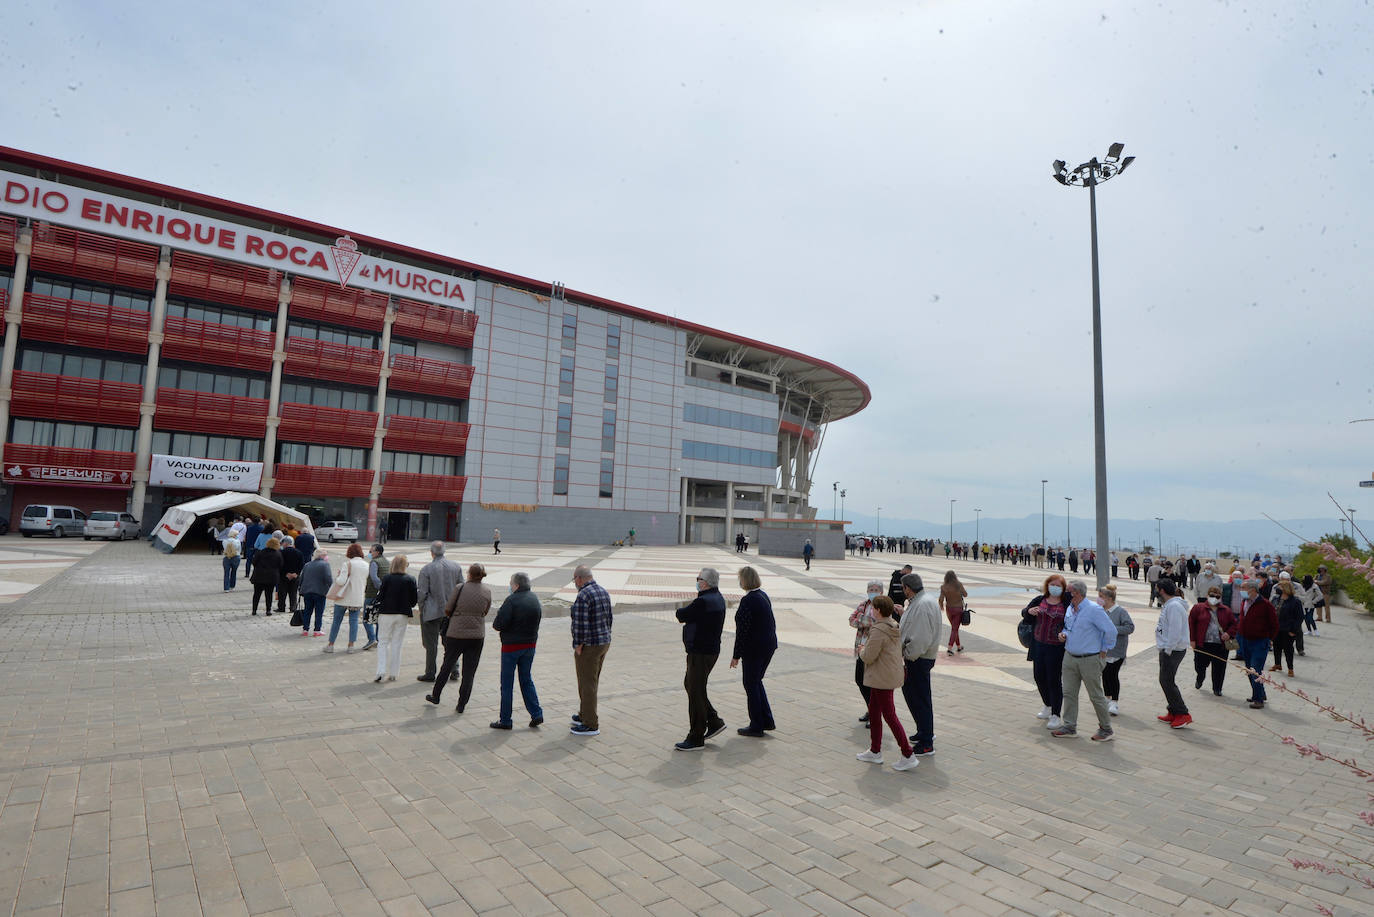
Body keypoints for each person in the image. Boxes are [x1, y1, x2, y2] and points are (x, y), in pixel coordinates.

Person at [857, 596, 919, 772]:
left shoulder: (879, 630)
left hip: (882, 677)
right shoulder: (893, 624)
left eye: (874, 608)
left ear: (878, 610)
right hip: (885, 675)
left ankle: (908, 754)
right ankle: (875, 751)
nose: (872, 611)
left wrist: (862, 650)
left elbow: (869, 656)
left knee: (889, 715)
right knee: (874, 710)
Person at [1051, 580, 1117, 741]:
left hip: (1090, 659)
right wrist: (1064, 634)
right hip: (1070, 657)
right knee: (1069, 693)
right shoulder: (1070, 608)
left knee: (1095, 695)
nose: (1065, 593)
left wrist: (1104, 649)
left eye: (1068, 591)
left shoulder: (1094, 610)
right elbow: (1068, 627)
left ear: (1077, 593)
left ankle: (1106, 728)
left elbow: (1110, 631)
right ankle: (1069, 726)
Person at [673, 568, 728, 750]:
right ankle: (713, 720)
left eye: (698, 579)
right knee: (692, 684)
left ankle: (696, 736)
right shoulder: (717, 598)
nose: (697, 581)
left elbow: (682, 615)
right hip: (710, 650)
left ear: (705, 582)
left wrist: (681, 608)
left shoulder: (703, 601)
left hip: (700, 652)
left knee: (695, 690)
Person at [428, 564, 492, 711]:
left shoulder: (460, 588)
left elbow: (448, 608)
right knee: (469, 672)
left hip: (456, 633)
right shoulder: (487, 590)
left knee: (447, 665)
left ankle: (436, 695)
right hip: (477, 635)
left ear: (469, 573)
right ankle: (461, 704)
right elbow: (486, 611)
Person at [490, 572, 544, 728]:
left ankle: (505, 720)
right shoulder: (534, 598)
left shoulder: (511, 600)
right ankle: (536, 713)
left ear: (516, 585)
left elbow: (498, 624)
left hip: (511, 647)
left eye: (511, 583)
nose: (510, 586)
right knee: (526, 680)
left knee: (507, 684)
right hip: (530, 645)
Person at [731, 566, 778, 737]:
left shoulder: (748, 600)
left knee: (751, 684)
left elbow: (742, 631)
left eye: (740, 578)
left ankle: (756, 725)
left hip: (755, 649)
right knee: (756, 682)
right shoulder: (762, 595)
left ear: (745, 580)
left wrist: (736, 655)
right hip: (768, 646)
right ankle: (766, 720)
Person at [898, 572, 941, 756]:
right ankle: (923, 731)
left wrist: (908, 655)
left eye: (904, 588)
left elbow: (921, 638)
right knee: (915, 696)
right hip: (918, 659)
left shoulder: (922, 605)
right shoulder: (920, 601)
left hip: (918, 659)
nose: (903, 592)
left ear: (908, 588)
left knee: (920, 699)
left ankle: (926, 742)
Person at [569, 564, 612, 736]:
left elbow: (580, 624)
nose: (575, 583)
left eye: (574, 579)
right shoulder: (603, 591)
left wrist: (578, 645)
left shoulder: (583, 595)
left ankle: (590, 724)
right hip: (604, 642)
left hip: (589, 646)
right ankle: (584, 714)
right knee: (591, 681)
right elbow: (609, 618)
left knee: (587, 683)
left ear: (579, 578)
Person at [1025, 574, 1069, 729]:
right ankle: (1047, 705)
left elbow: (1073, 621)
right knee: (1039, 677)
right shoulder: (1040, 599)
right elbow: (1025, 615)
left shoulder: (1066, 602)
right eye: (1053, 584)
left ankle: (1056, 715)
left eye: (1059, 585)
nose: (1055, 588)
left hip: (1056, 648)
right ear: (1047, 585)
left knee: (1054, 680)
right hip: (1038, 645)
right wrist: (1029, 612)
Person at [416, 541, 463, 683]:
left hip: (432, 611)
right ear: (444, 551)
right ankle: (454, 670)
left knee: (431, 644)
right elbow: (461, 587)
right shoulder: (456, 567)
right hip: (451, 611)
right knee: (450, 643)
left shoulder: (427, 569)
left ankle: (430, 672)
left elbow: (422, 593)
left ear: (431, 553)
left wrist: (421, 609)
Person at [373, 554, 417, 683]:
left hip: (386, 612)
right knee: (397, 643)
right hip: (402, 613)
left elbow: (380, 596)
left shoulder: (387, 578)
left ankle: (381, 671)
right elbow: (414, 601)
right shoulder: (410, 579)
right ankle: (393, 673)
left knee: (383, 642)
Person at [1154, 579, 1192, 728]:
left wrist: (1168, 649)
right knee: (1165, 681)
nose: (1155, 591)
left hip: (1172, 650)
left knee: (1167, 681)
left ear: (1162, 590)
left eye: (1157, 589)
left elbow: (1175, 631)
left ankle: (1182, 714)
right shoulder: (1170, 605)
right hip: (1167, 649)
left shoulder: (1174, 606)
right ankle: (1173, 711)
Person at [1236, 578, 1278, 708]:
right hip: (1245, 640)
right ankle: (1259, 693)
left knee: (1255, 669)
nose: (1241, 591)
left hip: (1259, 642)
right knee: (1249, 669)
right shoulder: (1244, 601)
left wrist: (1270, 639)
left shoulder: (1265, 604)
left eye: (1243, 588)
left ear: (1252, 590)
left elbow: (1274, 624)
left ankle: (1259, 700)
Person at [1189, 585, 1236, 697]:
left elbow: (1234, 624)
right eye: (1212, 595)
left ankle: (1217, 688)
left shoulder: (1226, 610)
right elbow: (1191, 623)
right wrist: (1192, 639)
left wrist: (1228, 633)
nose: (1214, 598)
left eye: (1217, 596)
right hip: (1202, 644)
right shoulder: (1198, 608)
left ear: (1220, 597)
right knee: (1199, 665)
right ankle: (1200, 677)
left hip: (1220, 645)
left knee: (1219, 668)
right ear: (1207, 595)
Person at [324, 543, 370, 654]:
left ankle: (331, 645)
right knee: (353, 622)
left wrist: (339, 575)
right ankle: (351, 646)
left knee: (336, 621)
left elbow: (341, 581)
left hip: (343, 597)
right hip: (357, 598)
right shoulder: (366, 565)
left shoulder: (348, 564)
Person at [850, 580, 885, 723]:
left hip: (875, 650)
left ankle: (875, 714)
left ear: (881, 592)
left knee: (872, 684)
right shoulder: (864, 605)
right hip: (861, 648)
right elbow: (852, 620)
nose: (873, 591)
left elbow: (882, 623)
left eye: (876, 589)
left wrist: (863, 620)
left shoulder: (884, 605)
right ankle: (871, 709)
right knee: (860, 680)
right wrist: (869, 621)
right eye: (871, 589)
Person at [1098, 584, 1133, 716]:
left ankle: (1115, 701)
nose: (1098, 599)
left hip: (1117, 651)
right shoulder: (1100, 611)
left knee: (1112, 675)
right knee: (1105, 675)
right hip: (1103, 650)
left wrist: (1112, 629)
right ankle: (1107, 698)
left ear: (1108, 598)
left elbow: (1130, 627)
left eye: (1101, 597)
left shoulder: (1120, 612)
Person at [1270, 580, 1303, 678]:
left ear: (1286, 589)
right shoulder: (1276, 599)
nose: (1277, 589)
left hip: (1288, 629)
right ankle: (1277, 664)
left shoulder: (1295, 601)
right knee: (1276, 647)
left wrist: (1293, 630)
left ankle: (1290, 668)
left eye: (1280, 587)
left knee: (1288, 649)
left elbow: (1300, 617)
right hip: (1277, 628)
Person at [298, 549, 331, 636]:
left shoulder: (307, 564)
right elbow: (328, 578)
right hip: (320, 591)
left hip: (307, 591)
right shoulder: (325, 565)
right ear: (322, 556)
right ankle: (317, 630)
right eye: (326, 555)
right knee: (319, 612)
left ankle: (305, 629)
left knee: (307, 611)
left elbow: (301, 578)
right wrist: (331, 588)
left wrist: (300, 588)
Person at [362, 543, 387, 651]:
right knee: (378, 619)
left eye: (371, 551)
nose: (369, 553)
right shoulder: (386, 561)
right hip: (384, 595)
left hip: (372, 594)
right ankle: (378, 639)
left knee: (366, 618)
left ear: (377, 552)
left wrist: (379, 588)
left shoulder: (374, 562)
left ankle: (372, 639)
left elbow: (374, 578)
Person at [249, 536, 282, 616]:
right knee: (269, 594)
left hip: (259, 575)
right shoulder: (278, 554)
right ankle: (268, 610)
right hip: (271, 577)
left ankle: (254, 610)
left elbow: (254, 562)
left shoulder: (260, 552)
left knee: (256, 594)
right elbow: (280, 565)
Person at [938, 570, 968, 655]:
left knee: (954, 628)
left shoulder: (943, 587)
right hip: (958, 608)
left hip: (949, 609)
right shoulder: (958, 585)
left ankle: (958, 646)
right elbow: (965, 594)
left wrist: (941, 606)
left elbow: (941, 599)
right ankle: (950, 648)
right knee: (954, 628)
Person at [276, 535, 303, 618]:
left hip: (284, 576)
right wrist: (296, 573)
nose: (282, 545)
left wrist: (285, 573)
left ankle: (281, 607)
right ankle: (293, 607)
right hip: (295, 576)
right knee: (293, 592)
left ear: (286, 543)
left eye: (283, 543)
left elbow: (280, 565)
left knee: (282, 592)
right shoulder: (299, 552)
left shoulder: (281, 552)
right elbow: (302, 564)